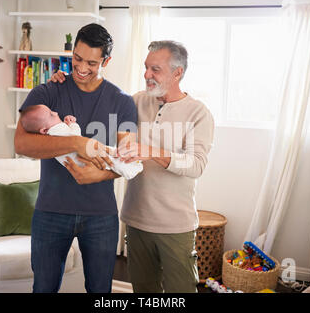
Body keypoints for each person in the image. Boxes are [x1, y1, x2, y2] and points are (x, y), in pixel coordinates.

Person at [50, 40, 215, 293]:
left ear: (177, 73)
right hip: (136, 222)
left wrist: (151, 152)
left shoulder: (198, 113)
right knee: (144, 291)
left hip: (175, 226)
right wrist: (66, 83)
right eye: (146, 67)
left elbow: (197, 164)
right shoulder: (135, 101)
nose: (147, 74)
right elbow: (94, 111)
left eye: (155, 69)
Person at [14, 23, 138, 293]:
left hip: (100, 215)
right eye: (77, 59)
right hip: (50, 211)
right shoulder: (48, 92)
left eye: (92, 63)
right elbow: (22, 143)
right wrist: (76, 142)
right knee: (44, 288)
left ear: (107, 60)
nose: (81, 68)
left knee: (100, 291)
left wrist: (101, 174)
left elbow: (127, 156)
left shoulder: (122, 101)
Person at [19, 104, 143, 180]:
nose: (56, 113)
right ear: (44, 130)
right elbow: (76, 137)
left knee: (111, 158)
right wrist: (73, 124)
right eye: (52, 114)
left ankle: (131, 165)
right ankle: (132, 169)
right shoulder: (57, 130)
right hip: (82, 159)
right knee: (111, 159)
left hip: (78, 162)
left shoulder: (52, 133)